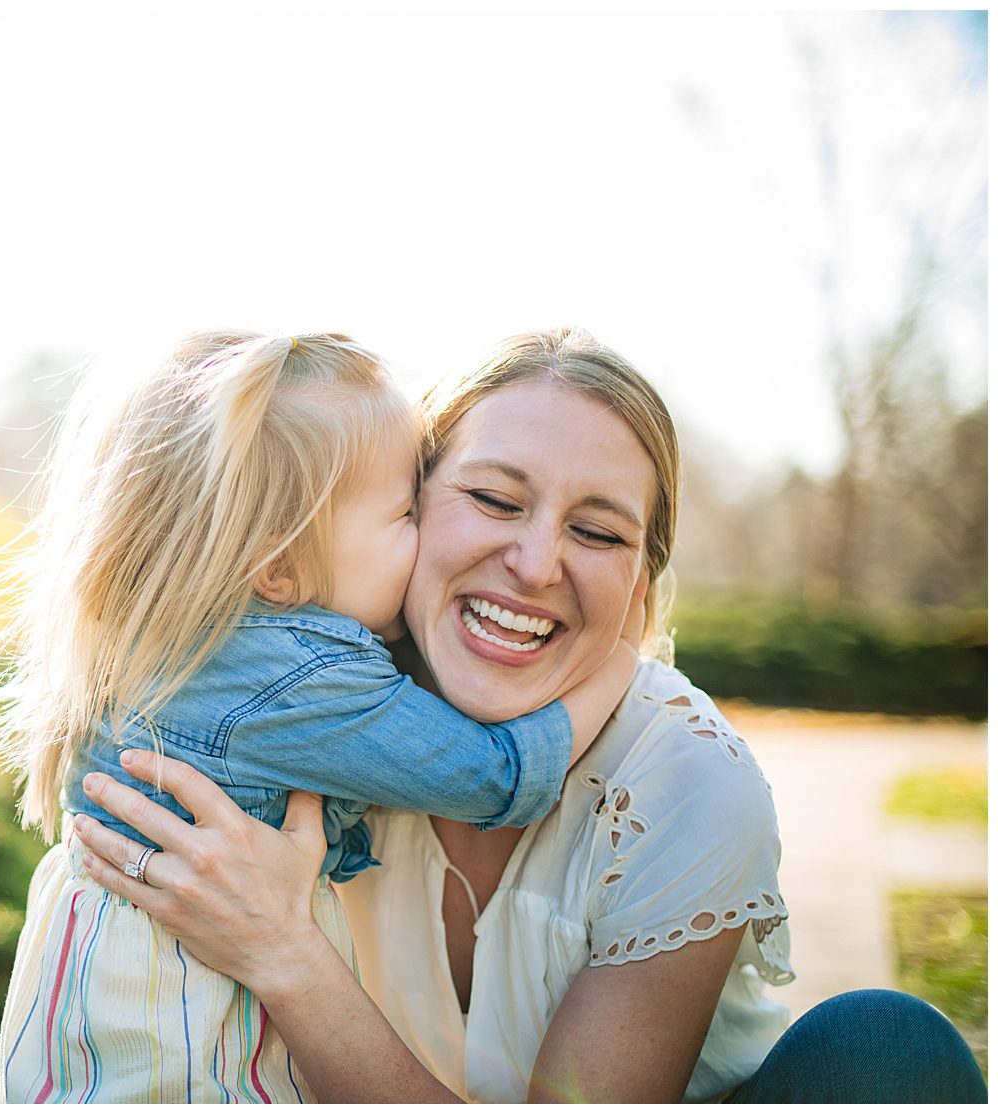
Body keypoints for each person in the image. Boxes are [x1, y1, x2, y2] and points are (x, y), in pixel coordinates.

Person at [69, 328, 986, 1102]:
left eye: (597, 532)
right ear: (407, 503)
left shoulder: (686, 781)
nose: (538, 563)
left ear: (640, 581)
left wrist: (289, 959)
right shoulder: (306, 711)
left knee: (885, 1048)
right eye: (494, 499)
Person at [0, 330, 637, 1102]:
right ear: (281, 567)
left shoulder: (172, 637)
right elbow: (493, 774)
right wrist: (622, 659)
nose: (424, 535)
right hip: (184, 1019)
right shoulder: (310, 675)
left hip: (89, 984)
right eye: (404, 513)